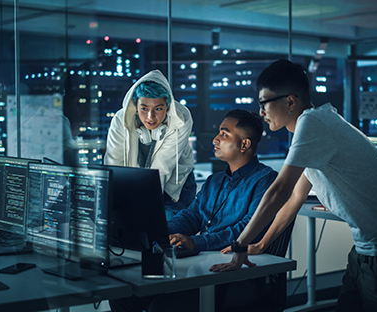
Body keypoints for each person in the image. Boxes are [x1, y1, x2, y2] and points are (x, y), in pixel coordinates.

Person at [211, 59, 377, 312]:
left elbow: (279, 191)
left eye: (264, 103)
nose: (261, 112)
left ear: (290, 102)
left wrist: (240, 245)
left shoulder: (313, 124)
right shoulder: (318, 122)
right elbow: (295, 197)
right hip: (366, 250)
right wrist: (260, 244)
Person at [110, 109, 278, 312]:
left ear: (245, 144)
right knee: (123, 295)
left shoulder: (265, 180)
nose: (215, 139)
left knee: (161, 307)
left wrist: (195, 242)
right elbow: (191, 216)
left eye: (224, 134)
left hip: (240, 276)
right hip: (206, 268)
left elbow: (249, 229)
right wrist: (159, 231)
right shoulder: (214, 181)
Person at [105, 69, 196, 219]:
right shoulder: (120, 120)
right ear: (136, 104)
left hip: (175, 185)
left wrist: (142, 207)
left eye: (158, 109)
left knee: (168, 232)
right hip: (134, 184)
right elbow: (115, 164)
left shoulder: (181, 118)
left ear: (167, 106)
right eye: (144, 108)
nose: (150, 117)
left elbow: (163, 167)